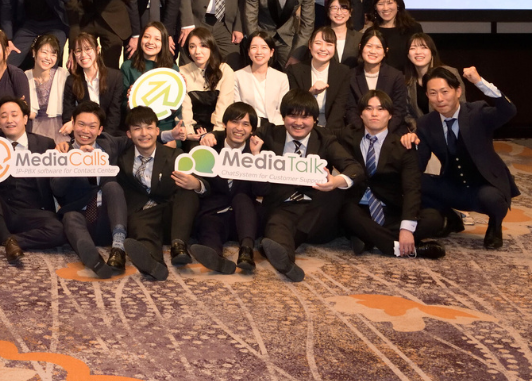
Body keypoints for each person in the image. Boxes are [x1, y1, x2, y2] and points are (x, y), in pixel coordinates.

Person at [258, 90, 364, 282]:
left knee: (335, 191)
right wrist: (211, 136)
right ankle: (287, 264)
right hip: (283, 207)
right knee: (276, 224)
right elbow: (235, 132)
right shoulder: (270, 133)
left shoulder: (325, 138)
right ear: (283, 117)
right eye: (292, 116)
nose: (298, 122)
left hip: (317, 211)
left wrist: (336, 181)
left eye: (305, 117)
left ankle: (291, 241)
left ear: (315, 119)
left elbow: (354, 168)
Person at [410, 66, 516, 250]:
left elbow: (509, 111)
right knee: (416, 182)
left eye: (445, 92)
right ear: (427, 95)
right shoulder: (426, 123)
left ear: (458, 91)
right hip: (453, 185)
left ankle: (495, 224)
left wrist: (479, 82)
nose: (439, 99)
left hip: (486, 185)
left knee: (491, 198)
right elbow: (418, 163)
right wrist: (409, 146)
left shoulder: (477, 112)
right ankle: (452, 219)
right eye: (433, 93)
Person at [338, 91, 445, 260]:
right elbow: (322, 135)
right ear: (361, 114)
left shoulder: (403, 144)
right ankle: (399, 248)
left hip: (390, 208)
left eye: (380, 109)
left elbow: (411, 188)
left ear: (390, 115)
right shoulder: (347, 136)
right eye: (369, 108)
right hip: (359, 209)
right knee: (346, 212)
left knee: (433, 218)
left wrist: (406, 229)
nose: (374, 113)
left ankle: (369, 238)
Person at [0, 97, 65, 264]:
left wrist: (65, 150)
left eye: (14, 115)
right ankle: (6, 237)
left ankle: (3, 239)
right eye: (4, 116)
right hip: (1, 210)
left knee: (59, 231)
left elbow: (60, 171)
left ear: (25, 119)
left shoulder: (45, 143)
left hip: (32, 211)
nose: (9, 120)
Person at [183, 103, 265, 274]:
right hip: (215, 212)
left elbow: (262, 191)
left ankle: (246, 253)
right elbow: (201, 184)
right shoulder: (209, 147)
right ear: (225, 124)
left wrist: (256, 157)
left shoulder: (257, 151)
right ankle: (214, 257)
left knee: (242, 198)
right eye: (235, 122)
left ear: (252, 130)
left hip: (244, 219)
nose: (239, 128)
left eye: (246, 124)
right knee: (208, 224)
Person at [51, 102, 129, 278]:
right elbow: (57, 189)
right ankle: (94, 260)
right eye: (81, 124)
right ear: (73, 124)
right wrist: (75, 162)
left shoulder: (109, 143)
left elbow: (139, 138)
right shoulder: (62, 153)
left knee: (112, 186)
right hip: (82, 219)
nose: (86, 131)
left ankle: (118, 248)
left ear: (100, 130)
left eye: (92, 126)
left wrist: (170, 135)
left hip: (109, 219)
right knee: (69, 217)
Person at [116, 105, 185, 281]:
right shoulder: (122, 159)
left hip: (169, 216)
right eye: (137, 128)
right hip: (142, 216)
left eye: (149, 127)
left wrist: (197, 184)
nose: (144, 133)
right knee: (140, 226)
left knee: (187, 191)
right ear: (129, 134)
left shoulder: (175, 155)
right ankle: (154, 264)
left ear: (157, 131)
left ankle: (179, 246)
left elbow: (201, 184)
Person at [121, 22, 181, 141]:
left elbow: (177, 109)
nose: (150, 42)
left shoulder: (173, 69)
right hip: (139, 127)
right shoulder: (127, 67)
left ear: (164, 43)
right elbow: (122, 106)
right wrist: (129, 102)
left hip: (165, 126)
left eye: (157, 39)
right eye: (146, 37)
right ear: (140, 39)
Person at [287, 26, 351, 132]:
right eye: (318, 43)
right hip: (302, 127)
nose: (323, 48)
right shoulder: (295, 71)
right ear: (310, 45)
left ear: (335, 47)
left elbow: (339, 108)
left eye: (329, 44)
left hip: (332, 130)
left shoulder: (343, 72)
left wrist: (327, 135)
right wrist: (310, 94)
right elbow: (292, 106)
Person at [346, 29, 409, 132]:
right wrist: (366, 133)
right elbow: (351, 110)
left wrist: (382, 133)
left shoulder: (396, 76)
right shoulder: (351, 76)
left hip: (390, 131)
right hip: (359, 132)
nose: (373, 51)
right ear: (360, 47)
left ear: (385, 51)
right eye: (369, 46)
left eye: (378, 47)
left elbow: (399, 111)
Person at [61, 32, 123, 137]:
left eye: (88, 49)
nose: (83, 55)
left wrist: (102, 139)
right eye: (78, 51)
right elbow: (68, 114)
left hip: (109, 136)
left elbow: (115, 114)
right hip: (83, 135)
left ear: (97, 50)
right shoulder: (72, 80)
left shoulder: (115, 77)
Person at [180, 27, 235, 139]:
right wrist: (190, 133)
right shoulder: (182, 72)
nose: (197, 51)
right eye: (192, 46)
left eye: (203, 46)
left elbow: (224, 105)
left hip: (219, 129)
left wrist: (215, 133)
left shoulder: (225, 70)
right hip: (192, 131)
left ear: (211, 47)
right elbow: (185, 109)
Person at [404, 33, 463, 127]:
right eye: (413, 48)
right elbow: (408, 114)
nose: (418, 52)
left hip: (451, 128)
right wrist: (420, 131)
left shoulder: (448, 72)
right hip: (421, 132)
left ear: (432, 52)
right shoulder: (406, 81)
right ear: (408, 55)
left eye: (423, 47)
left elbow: (461, 104)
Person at [233, 33, 289, 127]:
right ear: (248, 51)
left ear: (271, 52)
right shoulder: (237, 76)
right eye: (254, 47)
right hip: (248, 126)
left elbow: (282, 109)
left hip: (275, 126)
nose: (259, 52)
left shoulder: (281, 78)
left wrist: (271, 128)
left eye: (264, 47)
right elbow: (238, 108)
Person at [364, 0, 422, 71]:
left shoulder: (413, 28)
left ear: (398, 4)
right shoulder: (372, 32)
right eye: (380, 4)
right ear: (375, 7)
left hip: (408, 77)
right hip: (381, 77)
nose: (385, 8)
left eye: (390, 3)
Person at [26, 35, 70, 145]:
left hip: (60, 129)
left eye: (53, 54)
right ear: (34, 52)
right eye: (44, 52)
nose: (48, 57)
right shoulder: (25, 76)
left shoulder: (63, 75)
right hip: (32, 128)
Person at [325, 0, 362, 67]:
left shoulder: (359, 38)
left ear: (350, 12)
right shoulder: (320, 36)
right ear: (328, 12)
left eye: (344, 8)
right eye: (334, 8)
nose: (339, 12)